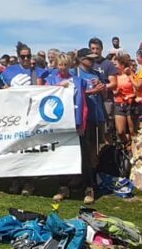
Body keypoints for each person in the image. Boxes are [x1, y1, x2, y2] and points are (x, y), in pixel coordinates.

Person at [46, 53, 88, 202]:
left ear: (70, 65)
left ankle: (85, 187)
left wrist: (82, 123)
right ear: (56, 65)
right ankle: (63, 187)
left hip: (75, 122)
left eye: (65, 65)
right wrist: (58, 87)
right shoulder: (51, 79)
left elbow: (83, 103)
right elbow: (44, 94)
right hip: (58, 123)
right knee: (61, 155)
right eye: (60, 65)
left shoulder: (78, 81)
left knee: (82, 155)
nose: (63, 68)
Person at [75, 47, 106, 205]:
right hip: (83, 117)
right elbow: (75, 94)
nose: (93, 61)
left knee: (94, 149)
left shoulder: (97, 74)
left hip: (96, 115)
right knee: (84, 151)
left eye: (94, 58)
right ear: (81, 59)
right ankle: (85, 182)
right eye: (90, 58)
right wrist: (93, 90)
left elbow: (105, 95)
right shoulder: (76, 73)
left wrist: (101, 89)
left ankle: (92, 178)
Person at [89, 37, 118, 141]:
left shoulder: (108, 64)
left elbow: (114, 83)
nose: (95, 51)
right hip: (91, 100)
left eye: (97, 48)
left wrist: (102, 86)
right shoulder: (88, 64)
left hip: (105, 100)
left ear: (101, 49)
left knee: (106, 129)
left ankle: (108, 153)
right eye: (93, 49)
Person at [112, 54, 138, 147]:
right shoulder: (114, 77)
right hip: (119, 104)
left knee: (132, 131)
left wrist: (130, 96)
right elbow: (112, 91)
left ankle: (133, 148)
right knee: (120, 131)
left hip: (130, 104)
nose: (114, 66)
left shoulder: (130, 75)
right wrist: (116, 92)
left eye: (115, 64)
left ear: (122, 65)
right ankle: (127, 145)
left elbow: (137, 91)